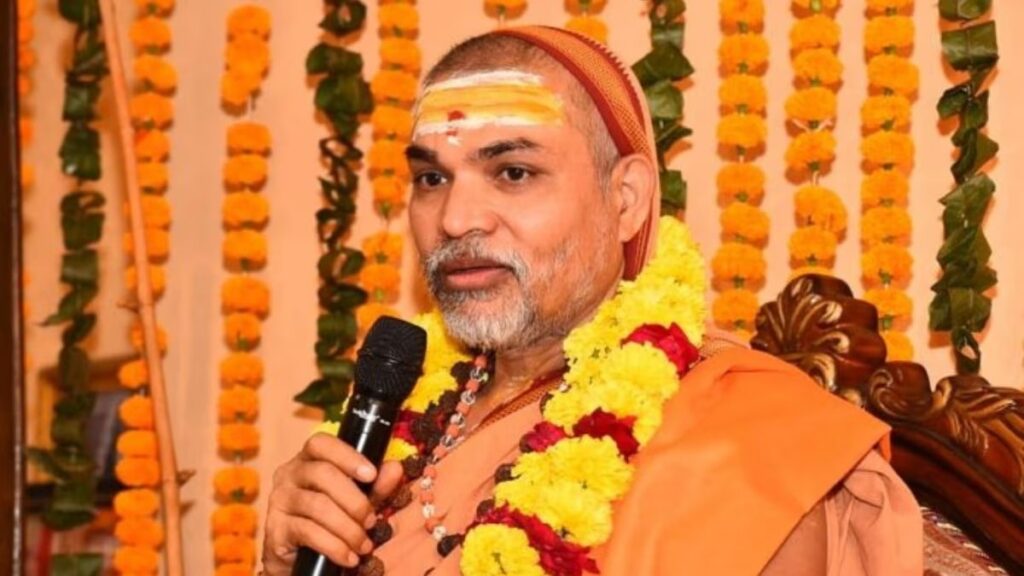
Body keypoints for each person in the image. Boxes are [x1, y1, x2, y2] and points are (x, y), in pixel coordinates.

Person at [262, 26, 922, 575]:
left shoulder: (746, 444)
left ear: (625, 199)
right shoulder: (409, 415)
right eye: (432, 177)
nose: (456, 218)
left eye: (512, 172)